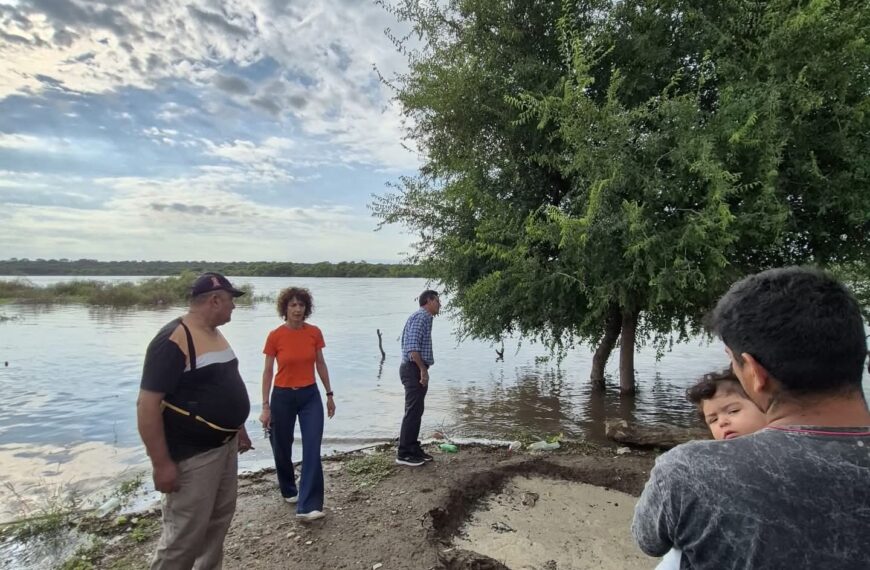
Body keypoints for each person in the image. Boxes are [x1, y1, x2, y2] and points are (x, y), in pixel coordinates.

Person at [633, 266, 870, 569]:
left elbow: (648, 540)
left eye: (733, 362)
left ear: (755, 373)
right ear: (858, 353)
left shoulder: (689, 471)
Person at [137, 272, 252, 569]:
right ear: (214, 300)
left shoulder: (214, 332)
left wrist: (238, 427)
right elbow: (147, 405)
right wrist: (161, 464)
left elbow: (221, 384)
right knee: (184, 537)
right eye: (230, 301)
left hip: (224, 447)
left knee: (217, 524)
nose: (234, 308)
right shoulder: (173, 339)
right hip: (193, 456)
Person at [656, 368, 769, 570]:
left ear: (765, 406)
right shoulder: (705, 464)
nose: (723, 422)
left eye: (733, 411)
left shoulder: (778, 459)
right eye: (713, 420)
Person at [260, 287, 335, 521]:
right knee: (281, 445)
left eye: (301, 305)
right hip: (282, 396)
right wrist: (265, 406)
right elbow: (267, 371)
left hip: (309, 396)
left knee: (312, 447)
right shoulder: (275, 336)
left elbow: (320, 364)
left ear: (306, 308)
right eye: (292, 305)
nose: (297, 309)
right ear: (285, 309)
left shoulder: (314, 333)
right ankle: (288, 488)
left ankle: (309, 505)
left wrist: (329, 394)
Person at [396, 289, 441, 466]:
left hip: (416, 368)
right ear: (428, 301)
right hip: (412, 368)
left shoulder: (426, 319)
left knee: (417, 411)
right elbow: (412, 349)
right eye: (437, 300)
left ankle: (413, 447)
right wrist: (423, 370)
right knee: (412, 411)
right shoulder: (420, 317)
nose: (440, 304)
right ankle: (404, 453)